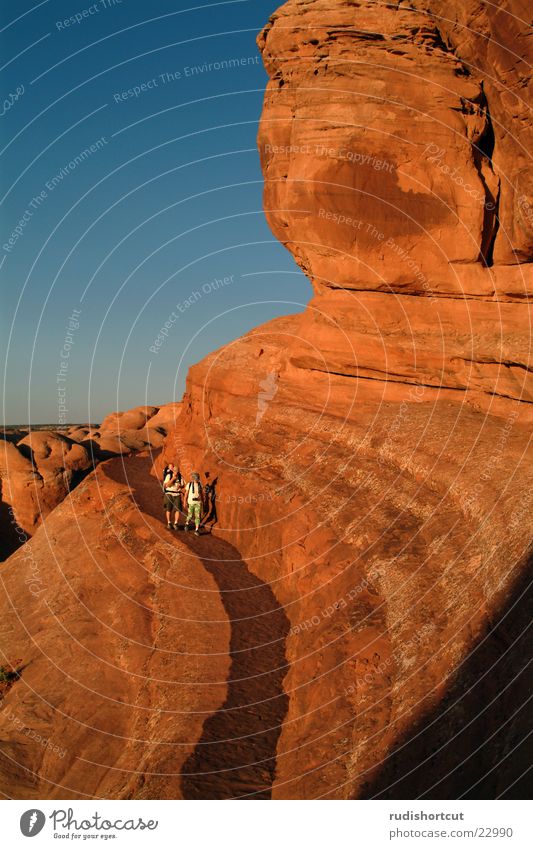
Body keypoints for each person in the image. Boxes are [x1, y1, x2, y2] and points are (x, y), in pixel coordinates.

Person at [163, 463, 184, 530]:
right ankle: (169, 523)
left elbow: (183, 485)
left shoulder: (180, 476)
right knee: (168, 509)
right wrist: (173, 479)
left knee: (177, 509)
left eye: (177, 471)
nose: (176, 472)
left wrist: (180, 486)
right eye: (175, 471)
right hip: (169, 493)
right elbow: (166, 485)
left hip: (177, 494)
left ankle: (176, 523)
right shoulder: (169, 476)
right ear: (173, 471)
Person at [184, 472, 204, 536]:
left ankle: (197, 529)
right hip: (191, 502)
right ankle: (187, 523)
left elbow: (201, 494)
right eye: (196, 478)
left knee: (197, 516)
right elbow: (186, 494)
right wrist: (185, 501)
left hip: (198, 502)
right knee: (190, 515)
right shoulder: (189, 484)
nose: (197, 479)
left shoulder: (199, 485)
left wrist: (202, 501)